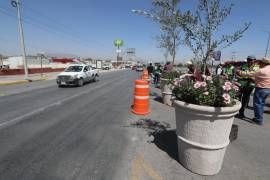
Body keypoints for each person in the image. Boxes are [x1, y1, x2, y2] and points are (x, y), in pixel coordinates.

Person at [237, 57, 270, 125]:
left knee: (257, 104)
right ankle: (259, 118)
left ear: (264, 63)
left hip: (261, 89)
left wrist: (239, 72)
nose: (259, 63)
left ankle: (258, 120)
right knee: (261, 104)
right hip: (267, 89)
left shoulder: (262, 70)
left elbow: (249, 74)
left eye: (260, 62)